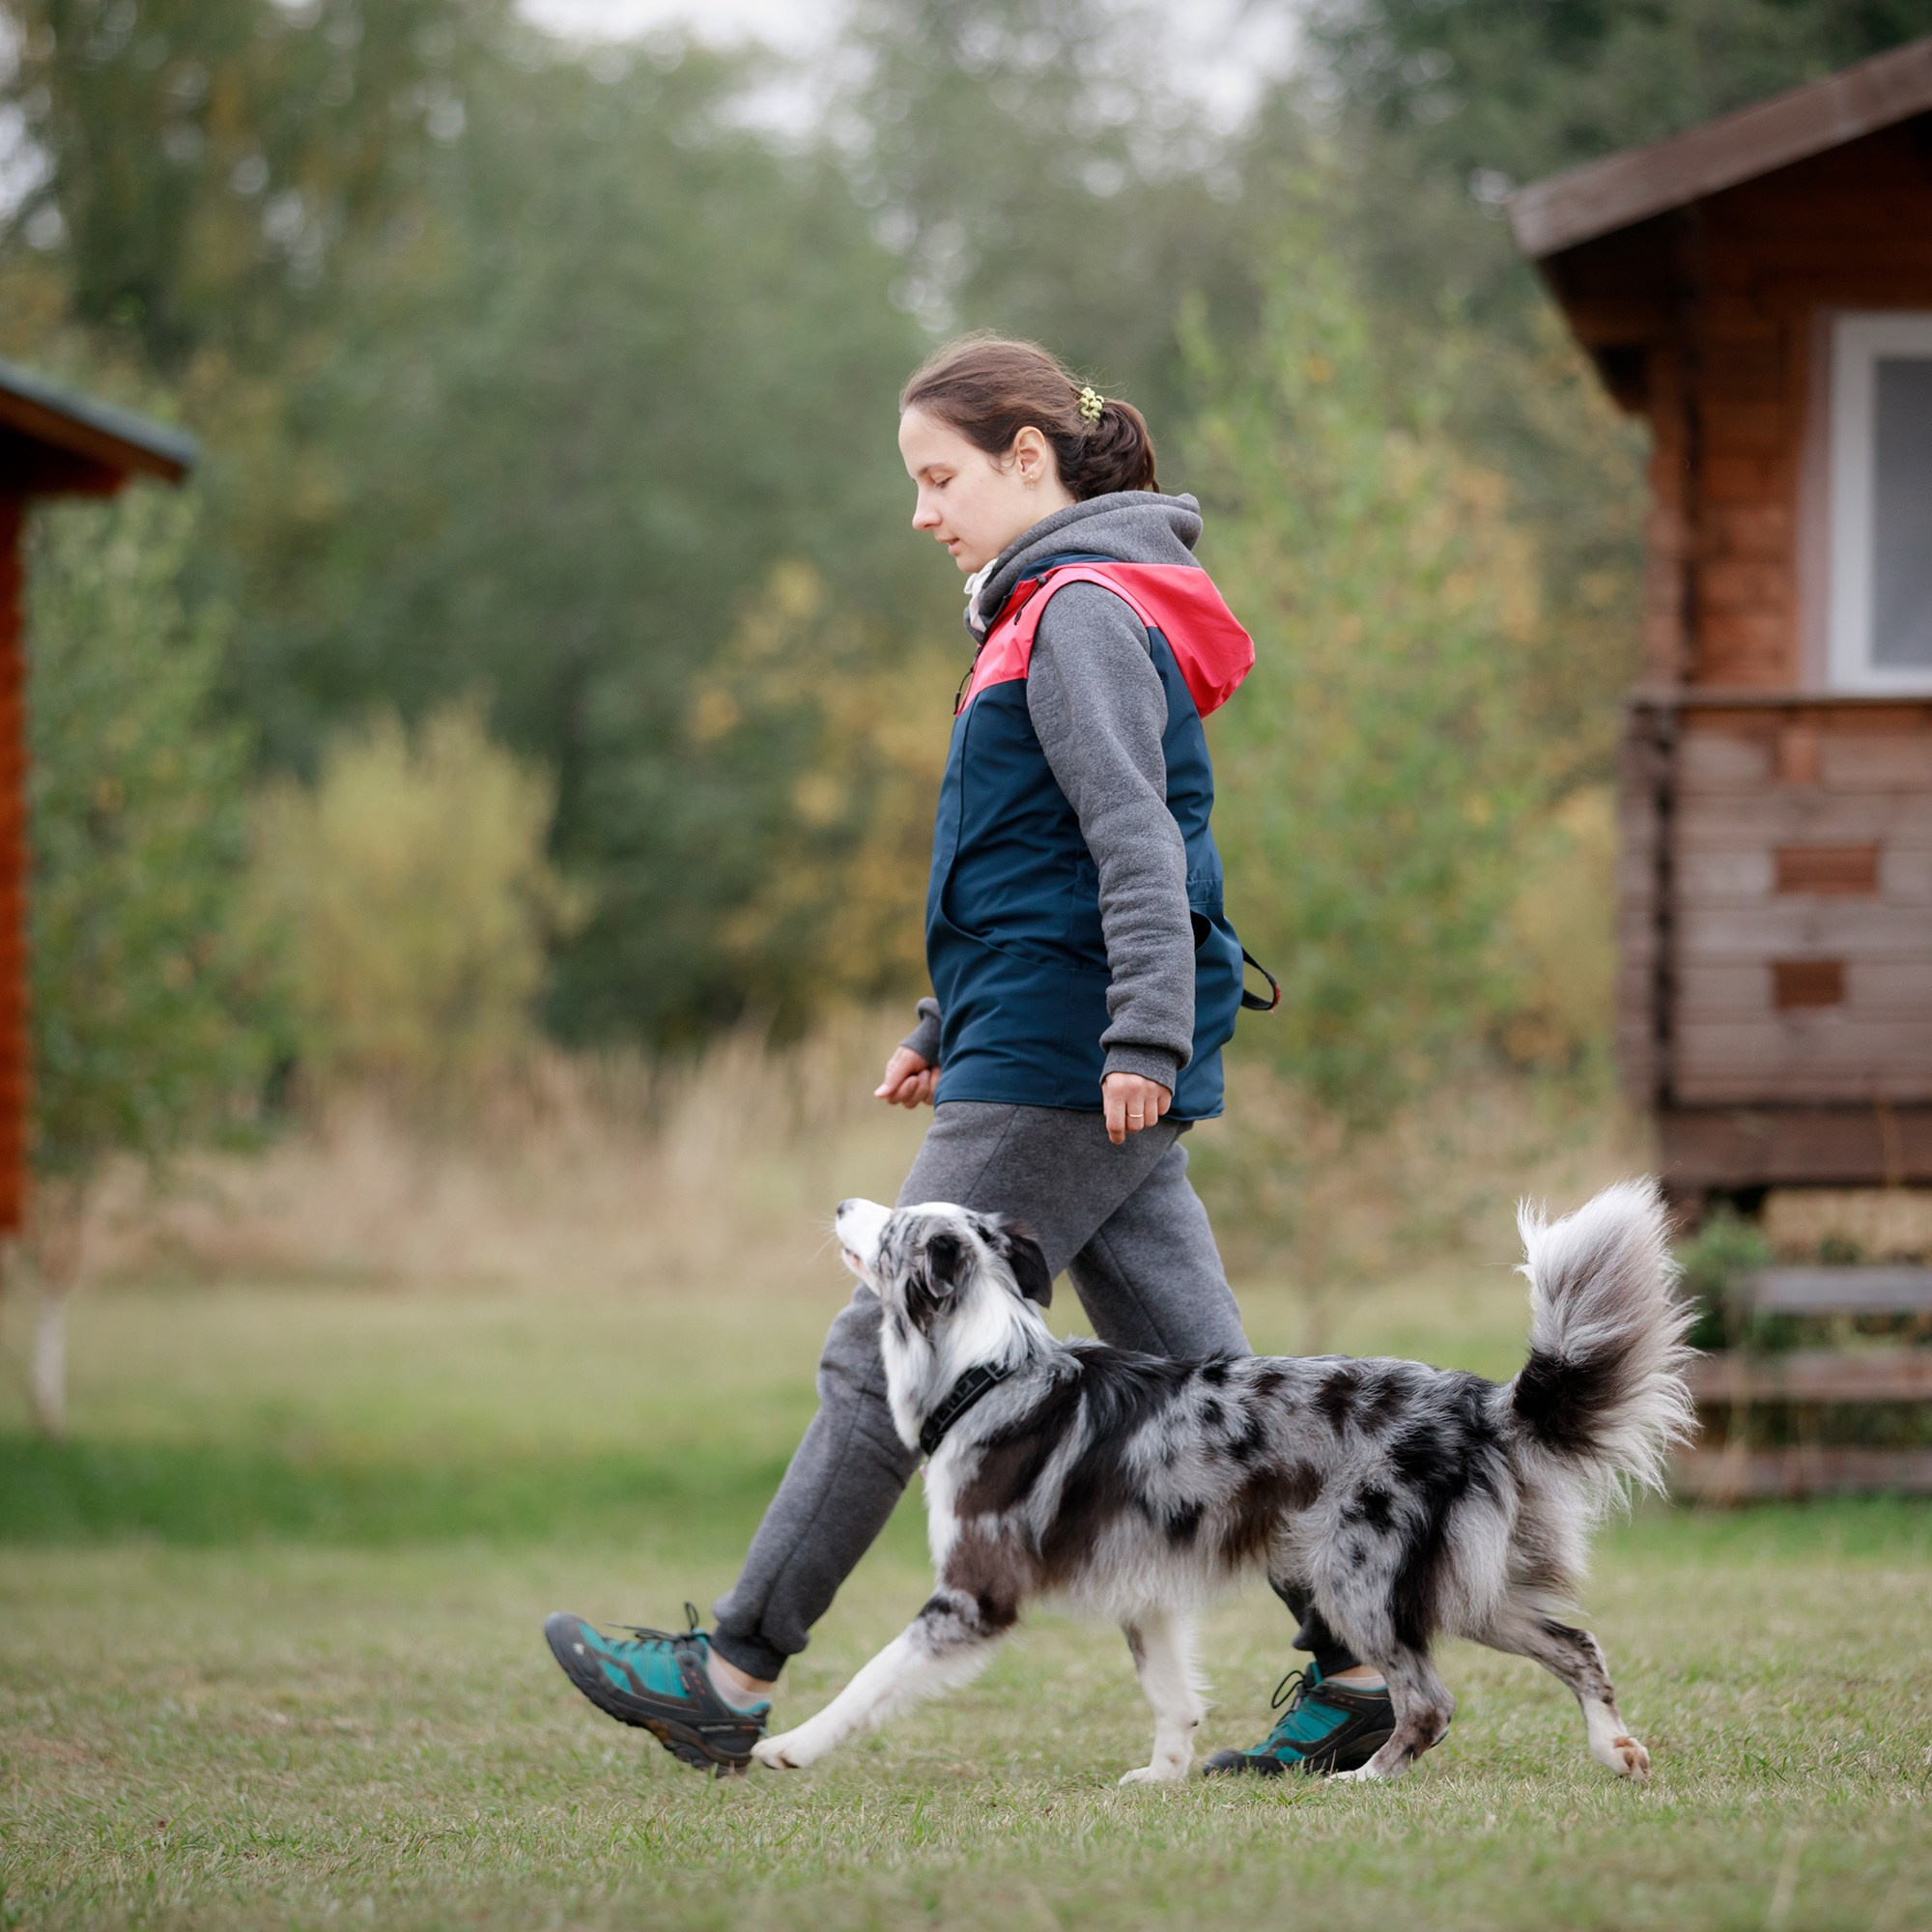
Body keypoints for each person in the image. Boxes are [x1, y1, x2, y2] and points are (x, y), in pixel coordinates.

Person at [544, 335, 1392, 1778]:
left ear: (1028, 459)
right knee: (1214, 1384)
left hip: (1074, 1056)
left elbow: (1134, 843)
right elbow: (1031, 863)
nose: (924, 510)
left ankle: (734, 1671)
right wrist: (944, 1024)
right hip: (1051, 1035)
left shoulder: (1071, 615)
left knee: (882, 1346)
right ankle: (1362, 1666)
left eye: (940, 478)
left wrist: (1134, 1032)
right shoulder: (1053, 611)